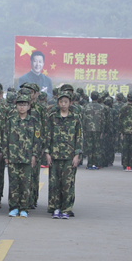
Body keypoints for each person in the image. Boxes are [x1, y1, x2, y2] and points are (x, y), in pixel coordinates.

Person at [3, 94, 41, 218]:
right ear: (16, 106)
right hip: (13, 157)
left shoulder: (34, 121)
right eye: (20, 104)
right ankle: (13, 207)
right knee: (13, 183)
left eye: (24, 104)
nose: (22, 107)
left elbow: (37, 139)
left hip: (27, 157)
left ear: (29, 106)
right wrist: (6, 155)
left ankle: (24, 208)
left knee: (26, 184)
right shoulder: (11, 120)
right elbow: (5, 139)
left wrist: (34, 155)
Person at [45, 91, 81, 219]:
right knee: (54, 183)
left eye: (66, 102)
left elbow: (79, 137)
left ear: (70, 103)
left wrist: (77, 155)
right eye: (61, 102)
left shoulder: (75, 118)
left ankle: (67, 208)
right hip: (55, 155)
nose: (63, 104)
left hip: (69, 156)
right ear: (58, 103)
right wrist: (47, 152)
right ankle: (55, 207)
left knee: (68, 184)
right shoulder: (53, 117)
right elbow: (48, 135)